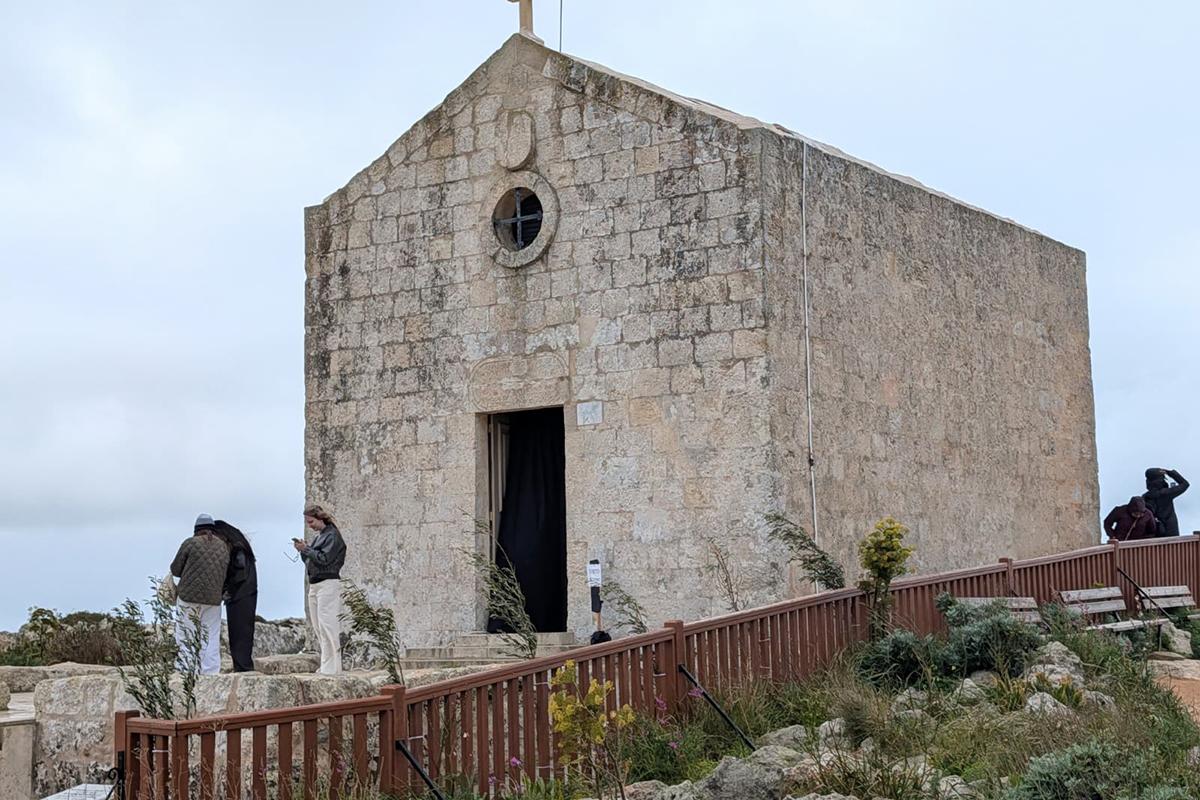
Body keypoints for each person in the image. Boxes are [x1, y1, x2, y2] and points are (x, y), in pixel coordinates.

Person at [170, 514, 230, 675]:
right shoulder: (223, 547)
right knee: (210, 636)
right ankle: (210, 672)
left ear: (196, 529)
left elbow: (175, 569)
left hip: (188, 597)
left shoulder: (190, 543)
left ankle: (186, 670)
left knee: (186, 634)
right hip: (213, 599)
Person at [294, 503, 347, 675]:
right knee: (318, 627)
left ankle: (333, 668)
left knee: (328, 625)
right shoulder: (321, 536)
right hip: (316, 584)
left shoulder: (332, 536)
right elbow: (311, 561)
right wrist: (303, 551)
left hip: (328, 583)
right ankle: (326, 665)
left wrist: (307, 549)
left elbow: (324, 559)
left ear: (319, 518)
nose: (309, 525)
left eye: (311, 522)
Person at [213, 520, 258, 673]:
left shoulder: (237, 550)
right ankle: (241, 665)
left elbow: (239, 573)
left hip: (240, 595)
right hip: (245, 593)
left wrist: (226, 588)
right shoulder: (242, 548)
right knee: (241, 633)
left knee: (239, 634)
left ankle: (243, 667)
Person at [1144, 468, 1189, 537]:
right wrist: (1170, 473)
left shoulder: (1145, 497)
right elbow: (1185, 484)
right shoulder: (1166, 493)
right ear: (1161, 480)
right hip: (1171, 530)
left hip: (1155, 531)